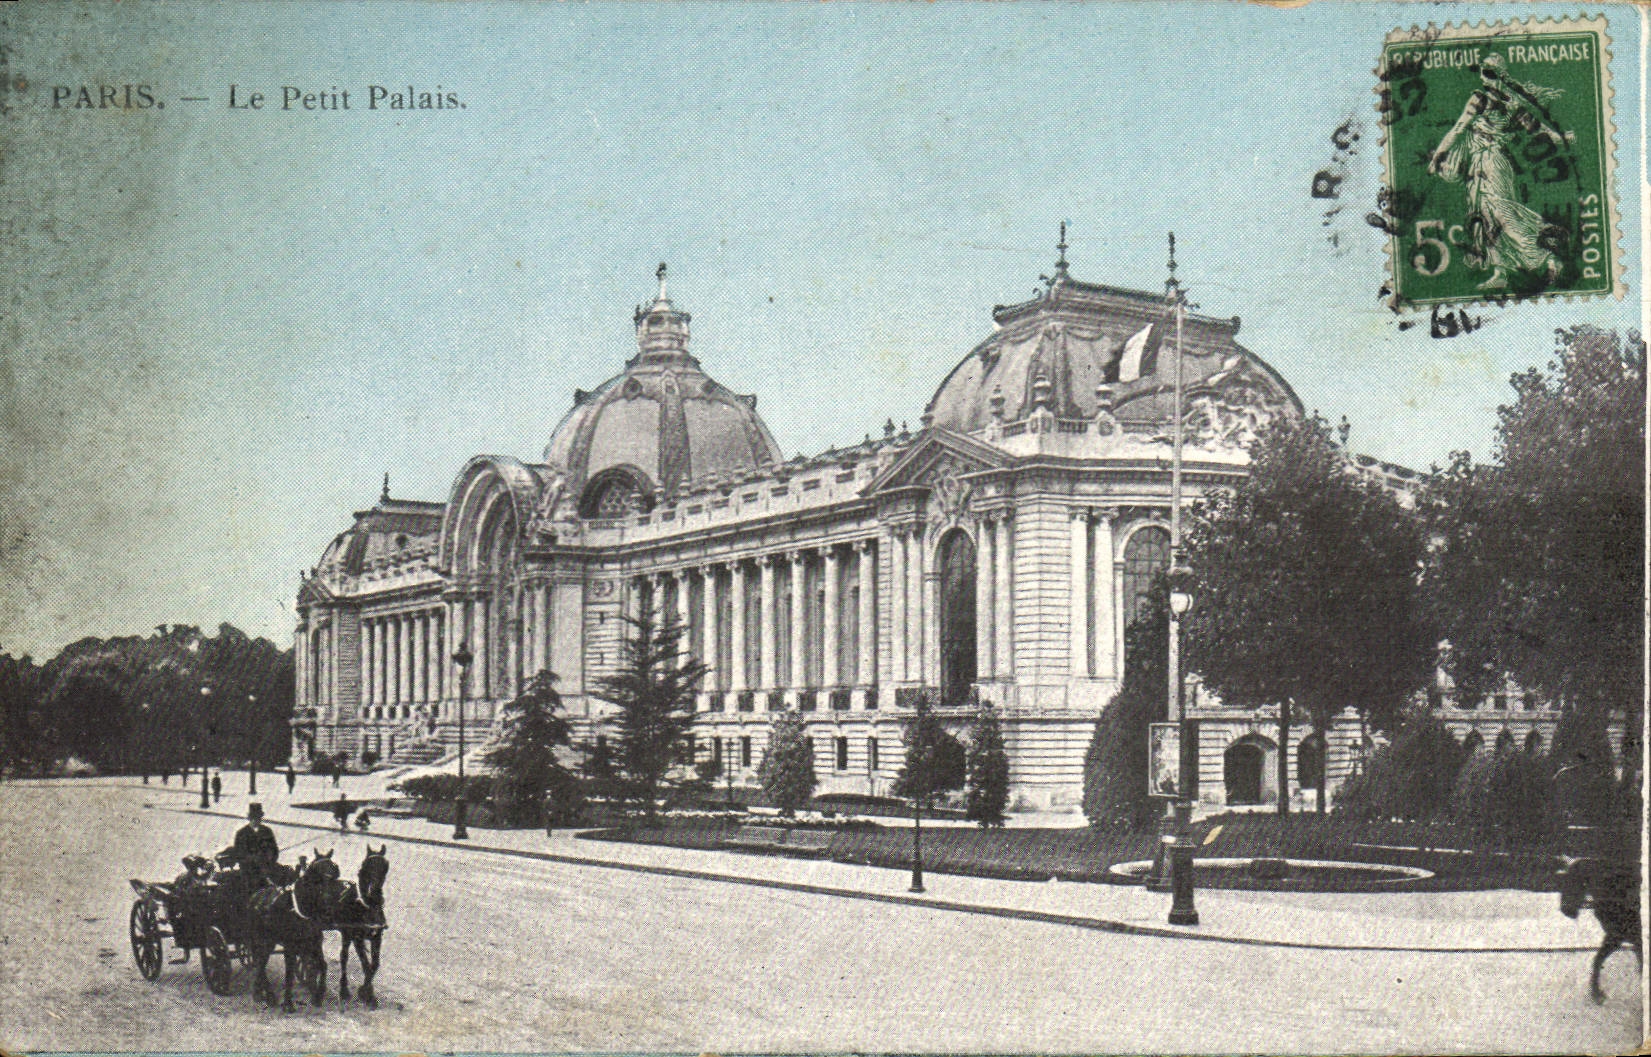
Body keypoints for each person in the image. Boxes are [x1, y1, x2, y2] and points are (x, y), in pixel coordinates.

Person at [1428, 54, 1571, 292]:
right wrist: (1560, 137)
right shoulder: (1513, 102)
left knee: (1502, 213)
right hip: (1484, 163)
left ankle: (1546, 257)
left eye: (1490, 73)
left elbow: (1458, 128)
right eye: (1484, 72)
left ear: (1501, 76)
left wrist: (1437, 156)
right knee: (1485, 217)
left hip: (1490, 163)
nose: (1485, 77)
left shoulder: (1480, 99)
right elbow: (1539, 129)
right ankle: (1501, 271)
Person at [230, 802, 282, 887]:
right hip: (249, 872)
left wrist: (269, 858)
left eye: (258, 818)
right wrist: (252, 858)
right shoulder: (241, 833)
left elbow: (275, 850)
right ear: (249, 818)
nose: (256, 821)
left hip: (266, 870)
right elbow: (238, 854)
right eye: (253, 818)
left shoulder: (267, 831)